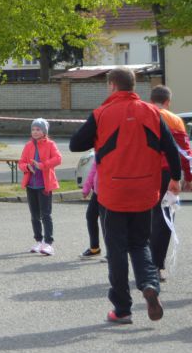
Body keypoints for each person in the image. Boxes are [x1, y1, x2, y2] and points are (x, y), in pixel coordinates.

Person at [70, 68, 181, 325]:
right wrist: (175, 178)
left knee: (117, 249)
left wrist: (98, 137)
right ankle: (149, 284)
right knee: (140, 244)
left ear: (112, 85)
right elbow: (170, 148)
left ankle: (122, 309)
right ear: (134, 85)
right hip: (144, 190)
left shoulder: (101, 114)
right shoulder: (152, 112)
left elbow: (76, 144)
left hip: (113, 192)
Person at [148, 85, 192, 278]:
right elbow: (185, 152)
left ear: (151, 100)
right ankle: (157, 266)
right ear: (168, 102)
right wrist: (188, 178)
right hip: (166, 173)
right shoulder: (175, 120)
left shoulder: (144, 115)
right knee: (164, 217)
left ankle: (143, 263)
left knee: (143, 217)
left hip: (142, 172)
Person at [20, 118, 62, 256]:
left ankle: (48, 243)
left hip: (44, 185)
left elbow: (58, 159)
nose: (35, 132)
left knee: (46, 215)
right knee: (34, 216)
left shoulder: (50, 144)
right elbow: (21, 163)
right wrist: (27, 167)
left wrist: (42, 165)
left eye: (38, 129)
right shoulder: (28, 145)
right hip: (31, 185)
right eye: (33, 129)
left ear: (44, 132)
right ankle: (38, 241)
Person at [80, 159, 103, 259]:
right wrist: (86, 188)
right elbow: (93, 170)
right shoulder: (99, 152)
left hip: (109, 191)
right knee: (90, 216)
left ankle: (113, 252)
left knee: (108, 222)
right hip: (97, 192)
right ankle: (94, 248)